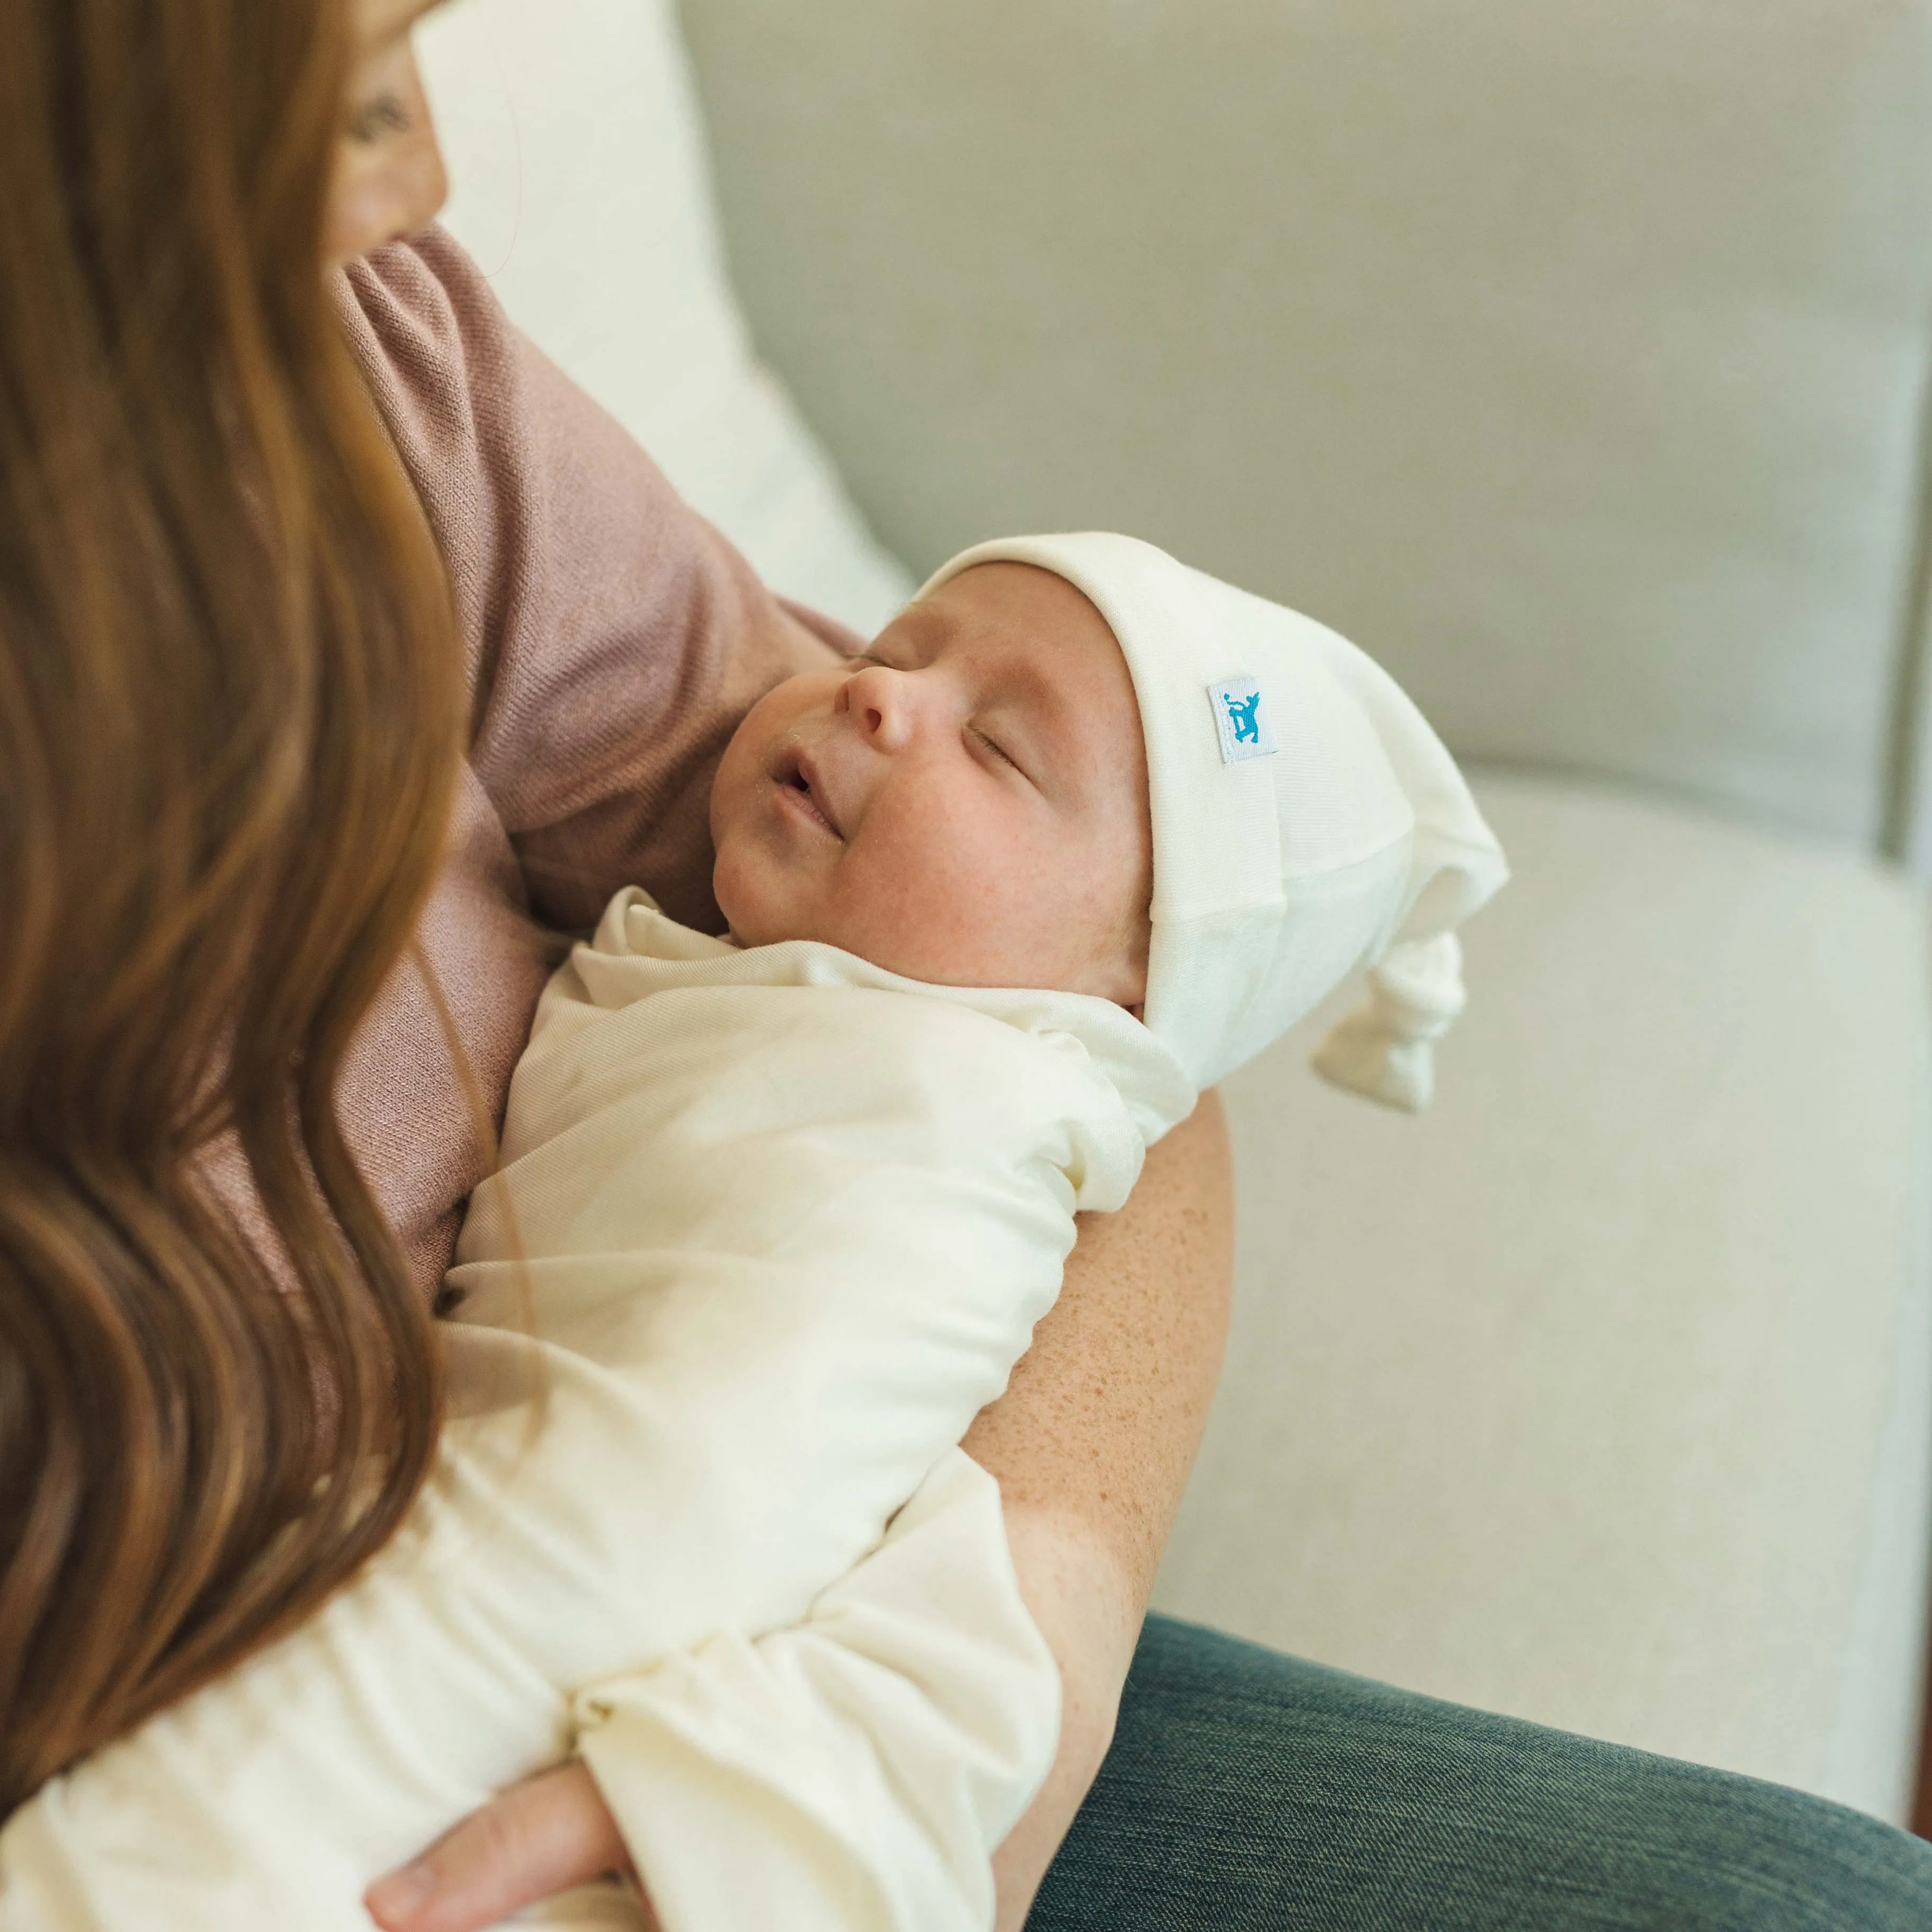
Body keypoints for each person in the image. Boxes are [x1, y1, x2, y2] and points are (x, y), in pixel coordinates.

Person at [1, 4, 1928, 1930]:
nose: (425, 178)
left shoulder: (359, 352)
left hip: (788, 1705)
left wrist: (982, 1679)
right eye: (343, 101)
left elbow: (1089, 1028)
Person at [0, 533, 1506, 1931]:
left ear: (1124, 995)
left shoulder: (964, 1111)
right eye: (903, 648)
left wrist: (775, 1801)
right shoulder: (732, 991)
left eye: (996, 744)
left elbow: (819, 1554)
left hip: (606, 1680)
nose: (871, 690)